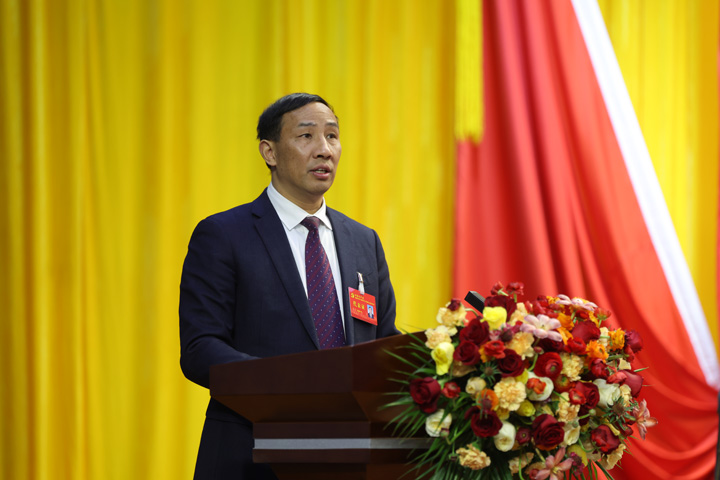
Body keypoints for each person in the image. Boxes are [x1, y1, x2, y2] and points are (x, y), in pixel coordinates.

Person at [179, 93, 398, 479]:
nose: (324, 149)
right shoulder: (224, 235)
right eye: (306, 136)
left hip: (351, 458)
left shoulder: (364, 242)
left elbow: (382, 343)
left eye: (332, 136)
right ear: (270, 152)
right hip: (253, 455)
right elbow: (201, 349)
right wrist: (295, 384)